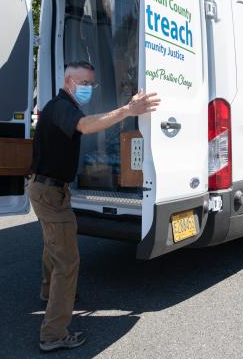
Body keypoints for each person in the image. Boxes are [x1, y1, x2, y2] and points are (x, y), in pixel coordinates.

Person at [29, 60, 160, 353]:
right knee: (68, 262)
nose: (88, 88)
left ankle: (47, 291)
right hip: (50, 193)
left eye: (92, 83)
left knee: (55, 243)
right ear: (68, 81)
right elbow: (86, 126)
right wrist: (128, 110)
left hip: (49, 190)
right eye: (83, 83)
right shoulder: (61, 107)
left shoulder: (62, 106)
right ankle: (53, 335)